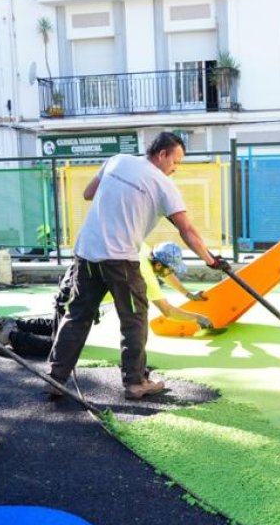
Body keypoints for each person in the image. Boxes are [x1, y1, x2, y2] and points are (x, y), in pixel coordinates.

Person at [46, 132, 227, 399]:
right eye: (174, 162)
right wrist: (211, 260)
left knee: (77, 316)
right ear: (162, 154)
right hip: (120, 260)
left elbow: (88, 194)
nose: (175, 169)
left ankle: (55, 378)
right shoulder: (164, 186)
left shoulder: (117, 160)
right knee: (134, 320)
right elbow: (186, 230)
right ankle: (135, 381)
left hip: (86, 253)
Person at [0, 241, 213, 358]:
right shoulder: (143, 272)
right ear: (159, 265)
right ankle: (9, 335)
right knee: (59, 346)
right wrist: (198, 318)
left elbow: (168, 273)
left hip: (75, 283)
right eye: (166, 270)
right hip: (77, 292)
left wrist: (188, 294)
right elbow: (168, 311)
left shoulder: (143, 249)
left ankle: (5, 321)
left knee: (60, 324)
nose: (167, 274)